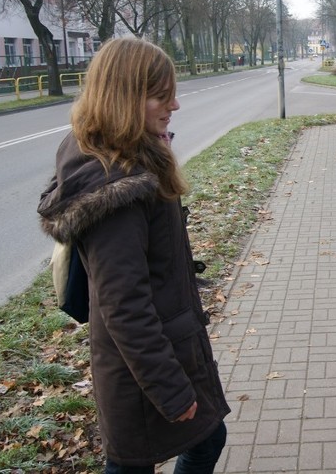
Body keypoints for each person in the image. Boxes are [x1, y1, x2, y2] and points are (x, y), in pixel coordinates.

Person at [38, 37, 230, 474]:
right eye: (161, 96)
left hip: (159, 351)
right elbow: (123, 305)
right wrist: (171, 390)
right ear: (125, 98)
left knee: (196, 441)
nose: (175, 105)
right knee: (153, 457)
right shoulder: (116, 186)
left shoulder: (133, 157)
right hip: (144, 366)